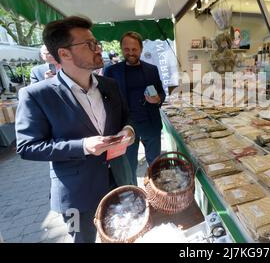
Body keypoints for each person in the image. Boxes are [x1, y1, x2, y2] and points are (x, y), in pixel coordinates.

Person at [15, 16, 135, 243]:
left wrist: (128, 130)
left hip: (119, 179)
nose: (98, 49)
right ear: (64, 53)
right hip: (76, 194)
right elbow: (27, 147)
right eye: (89, 45)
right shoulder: (37, 95)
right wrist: (83, 146)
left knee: (124, 234)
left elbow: (126, 118)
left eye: (96, 42)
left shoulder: (109, 84)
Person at [103, 32, 166, 185]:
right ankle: (134, 194)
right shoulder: (111, 71)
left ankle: (157, 191)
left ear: (141, 49)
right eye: (127, 49)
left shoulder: (151, 69)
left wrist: (158, 99)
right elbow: (106, 100)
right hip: (126, 126)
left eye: (134, 49)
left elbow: (161, 92)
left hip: (150, 124)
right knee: (129, 165)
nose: (130, 53)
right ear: (121, 48)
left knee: (155, 163)